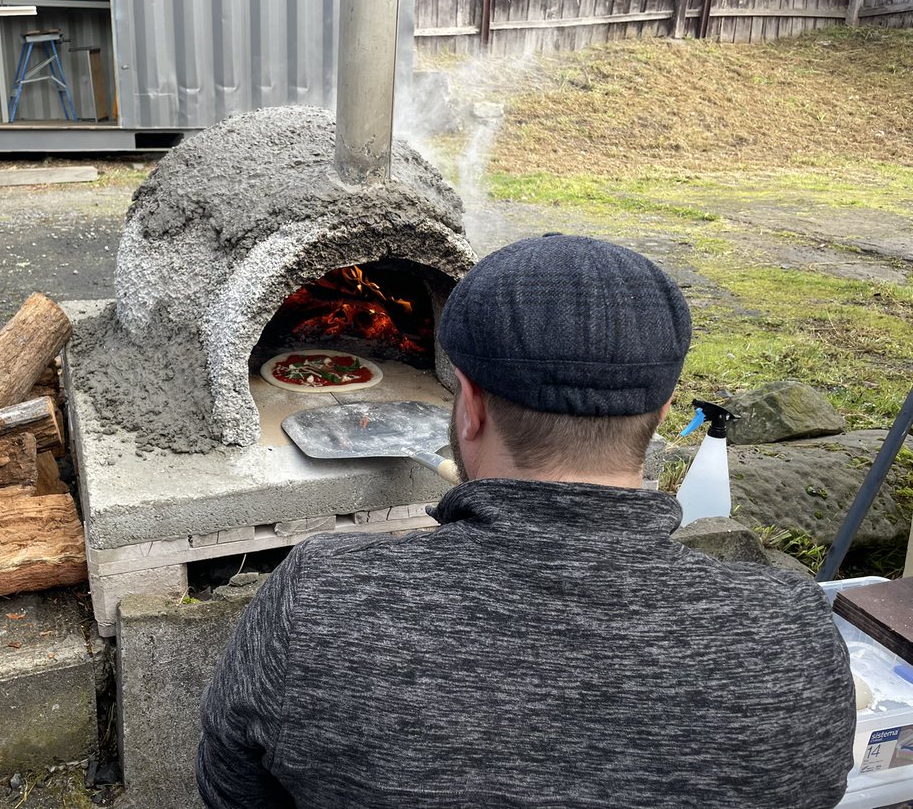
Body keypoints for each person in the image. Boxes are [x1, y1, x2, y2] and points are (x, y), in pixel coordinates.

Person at [196, 235, 857, 808]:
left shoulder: (320, 600)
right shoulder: (787, 632)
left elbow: (232, 789)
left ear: (470, 407)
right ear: (662, 412)